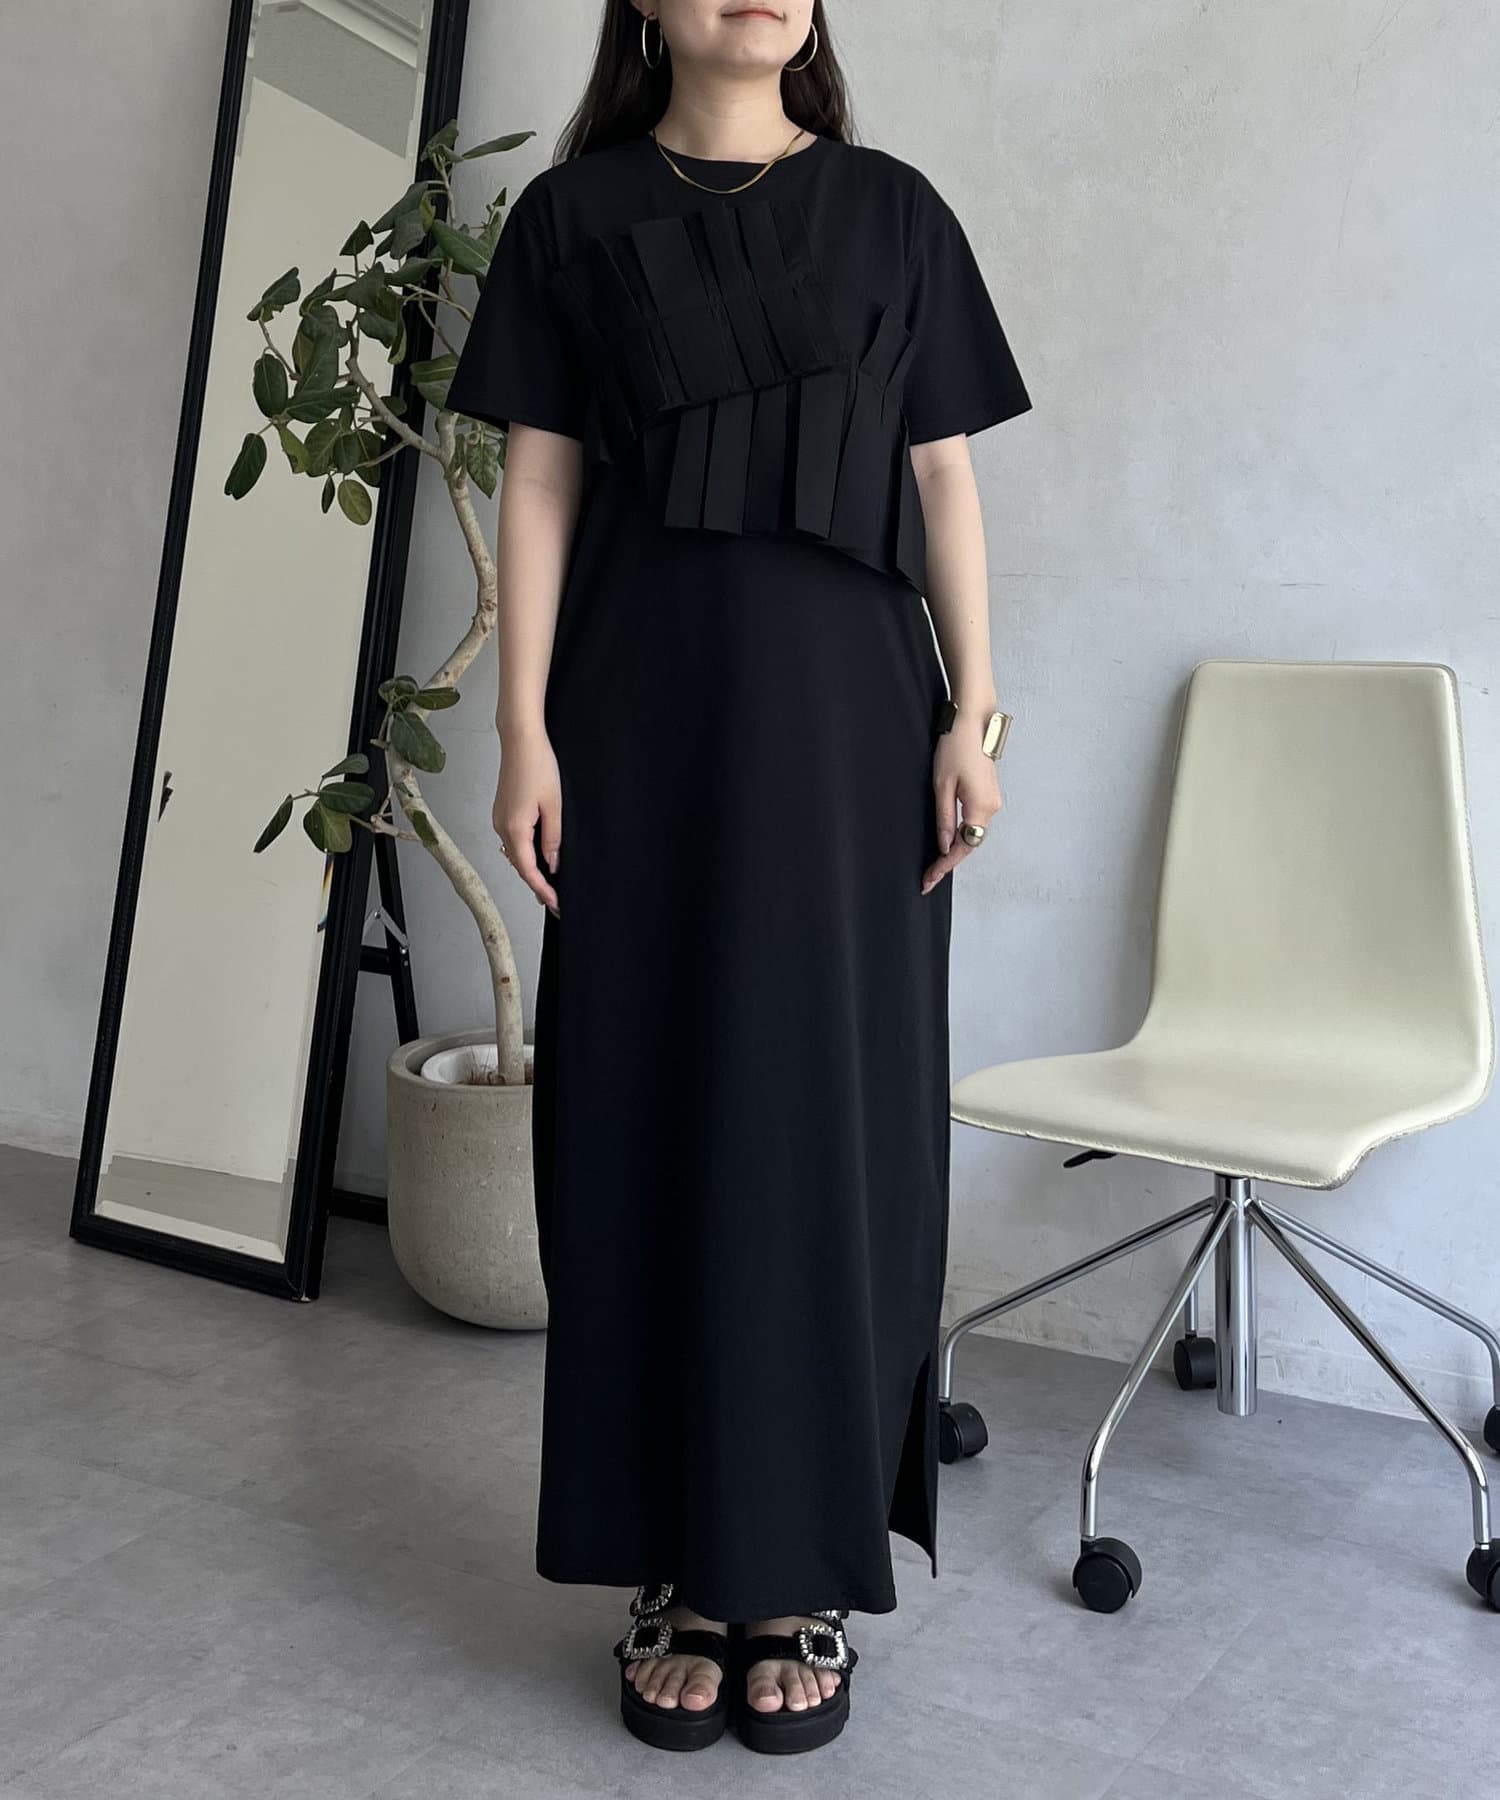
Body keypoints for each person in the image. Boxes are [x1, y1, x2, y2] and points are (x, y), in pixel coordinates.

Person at [443, 0, 1032, 1758]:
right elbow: (539, 476)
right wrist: (523, 731)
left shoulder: (897, 210)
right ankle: (682, 1571)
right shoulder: (571, 218)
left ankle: (798, 1574)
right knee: (644, 1113)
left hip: (856, 737)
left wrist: (975, 715)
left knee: (825, 1131)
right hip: (640, 722)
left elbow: (943, 473)